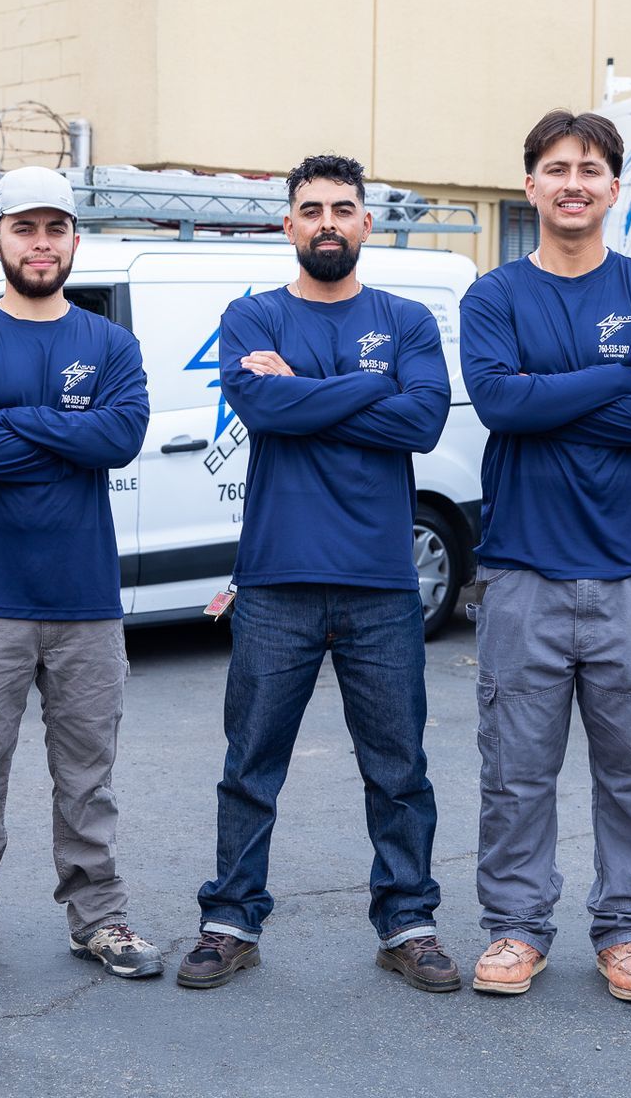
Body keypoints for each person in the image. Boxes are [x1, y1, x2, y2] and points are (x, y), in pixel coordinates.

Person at [176, 153, 459, 993]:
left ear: (366, 223)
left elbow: (423, 421)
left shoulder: (406, 319)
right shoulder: (252, 315)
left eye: (342, 208)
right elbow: (263, 408)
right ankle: (231, 921)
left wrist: (306, 390)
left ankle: (408, 923)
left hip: (381, 583)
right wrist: (365, 389)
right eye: (311, 209)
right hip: (276, 581)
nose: (327, 222)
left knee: (398, 768)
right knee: (251, 764)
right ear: (288, 225)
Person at [457, 110, 631, 1002]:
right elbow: (499, 404)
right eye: (557, 168)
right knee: (515, 773)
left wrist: (548, 395)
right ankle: (516, 929)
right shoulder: (494, 297)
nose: (574, 183)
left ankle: (628, 931)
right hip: (524, 569)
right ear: (530, 185)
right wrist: (618, 379)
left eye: (590, 170)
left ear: (613, 188)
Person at [0, 166, 157, 993]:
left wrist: (11, 418)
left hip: (85, 599)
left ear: (75, 240)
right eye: (25, 228)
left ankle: (100, 919)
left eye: (55, 228)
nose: (41, 243)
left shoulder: (109, 343)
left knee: (88, 774)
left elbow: (119, 439)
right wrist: (69, 433)